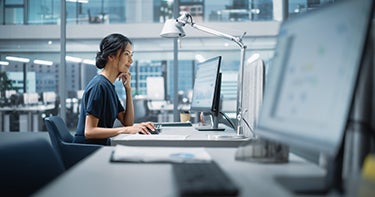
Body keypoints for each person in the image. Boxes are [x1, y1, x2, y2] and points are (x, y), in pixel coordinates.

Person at [73, 33, 156, 145]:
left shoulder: (108, 86)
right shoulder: (99, 86)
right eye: (127, 54)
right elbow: (89, 131)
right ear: (111, 56)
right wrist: (125, 130)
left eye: (131, 55)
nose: (131, 61)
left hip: (100, 146)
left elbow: (128, 122)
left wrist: (128, 89)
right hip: (87, 150)